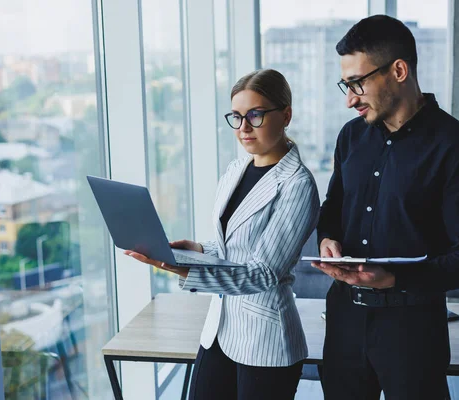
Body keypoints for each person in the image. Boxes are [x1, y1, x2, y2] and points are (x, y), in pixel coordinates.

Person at [311, 15, 459, 400]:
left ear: (398, 70)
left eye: (357, 83)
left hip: (412, 331)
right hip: (344, 321)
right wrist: (327, 238)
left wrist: (394, 278)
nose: (350, 99)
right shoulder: (350, 136)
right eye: (346, 86)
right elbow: (333, 207)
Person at [126, 68, 320, 400]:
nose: (244, 128)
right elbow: (233, 245)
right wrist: (199, 248)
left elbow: (263, 273)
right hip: (219, 330)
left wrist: (185, 270)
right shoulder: (236, 169)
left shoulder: (297, 184)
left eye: (255, 116)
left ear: (285, 115)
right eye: (237, 116)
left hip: (265, 340)